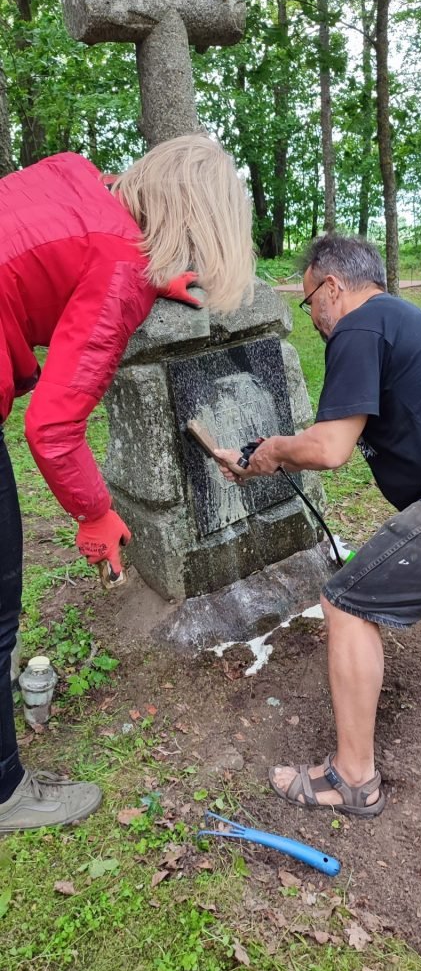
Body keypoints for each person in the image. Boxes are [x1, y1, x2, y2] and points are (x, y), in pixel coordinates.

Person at [0, 134, 254, 833]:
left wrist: (153, 271)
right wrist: (95, 513)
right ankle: (4, 793)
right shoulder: (118, 266)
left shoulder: (73, 175)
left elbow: (55, 258)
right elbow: (51, 429)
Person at [215, 233, 421, 818]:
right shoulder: (405, 319)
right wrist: (270, 451)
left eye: (308, 304)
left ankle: (353, 780)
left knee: (347, 603)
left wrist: (271, 450)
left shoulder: (360, 326)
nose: (315, 320)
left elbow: (329, 449)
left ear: (332, 287)